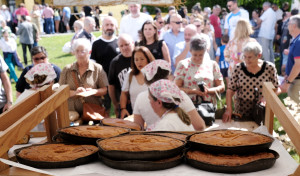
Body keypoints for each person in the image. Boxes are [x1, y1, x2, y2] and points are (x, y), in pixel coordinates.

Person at [134, 60, 205, 131]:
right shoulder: (178, 95)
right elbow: (200, 126)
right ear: (167, 78)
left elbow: (137, 128)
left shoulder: (140, 97)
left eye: (150, 100)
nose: (150, 102)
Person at [223, 42, 280, 122]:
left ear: (259, 55)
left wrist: (266, 99)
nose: (246, 60)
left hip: (262, 110)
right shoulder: (238, 68)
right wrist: (229, 108)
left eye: (250, 57)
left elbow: (277, 89)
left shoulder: (269, 68)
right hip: (242, 111)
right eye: (245, 56)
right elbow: (230, 90)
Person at [59, 38, 108, 116]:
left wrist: (93, 91)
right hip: (72, 114)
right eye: (77, 51)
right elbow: (61, 92)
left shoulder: (97, 68)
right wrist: (76, 92)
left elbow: (105, 89)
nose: (79, 54)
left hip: (92, 113)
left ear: (89, 52)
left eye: (82, 51)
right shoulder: (67, 69)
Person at [174, 35, 225, 106]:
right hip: (188, 106)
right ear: (190, 51)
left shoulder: (212, 64)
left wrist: (208, 91)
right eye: (195, 55)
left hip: (209, 109)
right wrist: (193, 91)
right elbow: (176, 88)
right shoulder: (183, 64)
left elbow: (222, 87)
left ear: (205, 52)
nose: (197, 58)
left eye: (201, 55)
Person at [91, 16, 119, 117]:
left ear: (116, 27)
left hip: (118, 82)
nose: (109, 27)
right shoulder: (96, 44)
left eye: (112, 25)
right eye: (107, 25)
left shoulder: (120, 42)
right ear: (102, 27)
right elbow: (92, 64)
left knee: (119, 107)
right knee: (104, 109)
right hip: (103, 82)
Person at [120, 46, 155, 118]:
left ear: (148, 59)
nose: (139, 62)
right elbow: (124, 93)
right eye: (136, 60)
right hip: (136, 117)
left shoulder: (156, 74)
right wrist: (123, 109)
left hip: (154, 117)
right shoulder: (130, 74)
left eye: (142, 59)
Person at [108, 34, 134, 118]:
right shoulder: (115, 62)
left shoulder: (140, 58)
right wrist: (115, 103)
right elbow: (111, 85)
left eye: (127, 44)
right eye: (121, 46)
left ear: (133, 43)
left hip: (141, 101)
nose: (124, 48)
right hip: (125, 103)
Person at [280, 15, 300, 104]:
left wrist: (287, 82)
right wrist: (288, 75)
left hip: (297, 81)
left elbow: (298, 65)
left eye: (289, 24)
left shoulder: (298, 41)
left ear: (294, 25)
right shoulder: (296, 40)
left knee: (295, 112)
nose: (287, 26)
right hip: (294, 79)